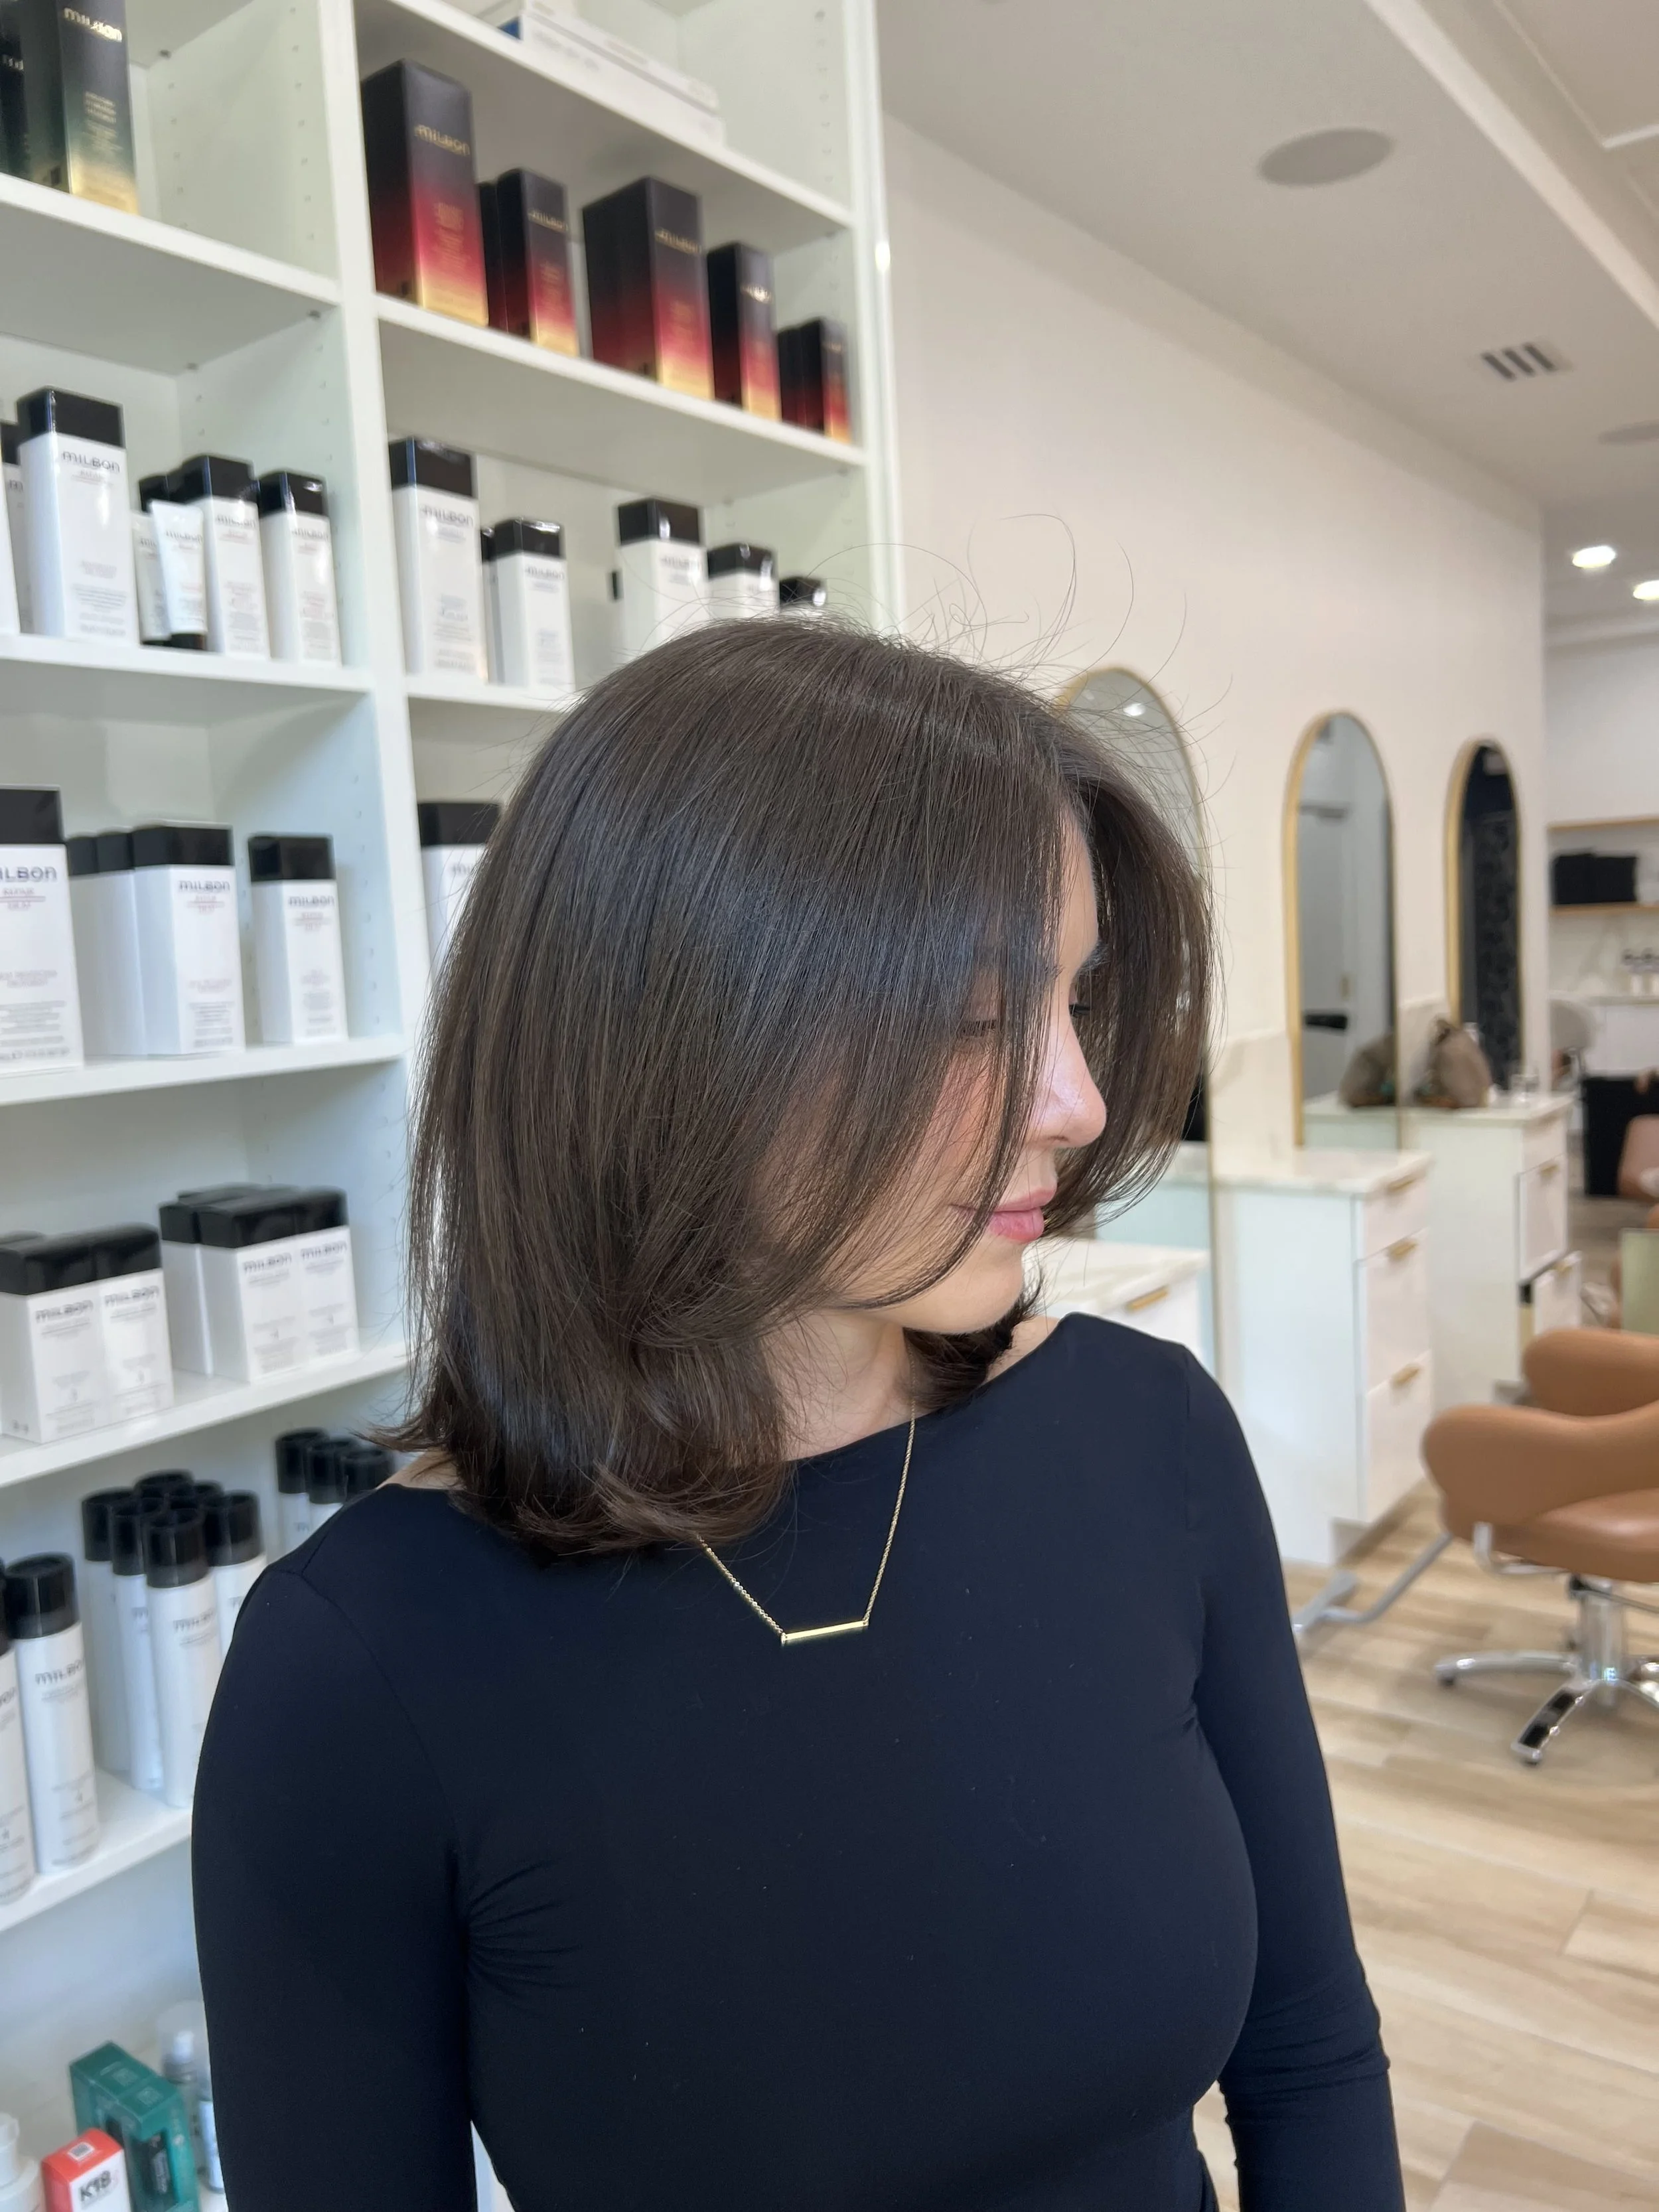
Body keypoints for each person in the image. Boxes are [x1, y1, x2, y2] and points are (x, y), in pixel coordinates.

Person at [193, 623, 1404, 2212]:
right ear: (679, 1044)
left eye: (1072, 998)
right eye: (978, 1017)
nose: (1080, 1102)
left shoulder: (1146, 1440)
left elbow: (1307, 2051)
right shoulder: (360, 1666)